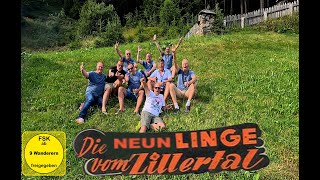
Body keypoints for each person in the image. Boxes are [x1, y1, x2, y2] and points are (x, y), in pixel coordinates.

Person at [169, 48, 197, 114]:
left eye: (186, 63)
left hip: (187, 92)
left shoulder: (190, 72)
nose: (185, 65)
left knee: (193, 85)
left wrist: (189, 82)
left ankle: (188, 104)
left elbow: (194, 78)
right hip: (179, 92)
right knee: (171, 85)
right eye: (183, 64)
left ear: (188, 65)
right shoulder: (179, 71)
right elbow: (175, 63)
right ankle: (176, 107)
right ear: (181, 65)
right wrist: (174, 54)